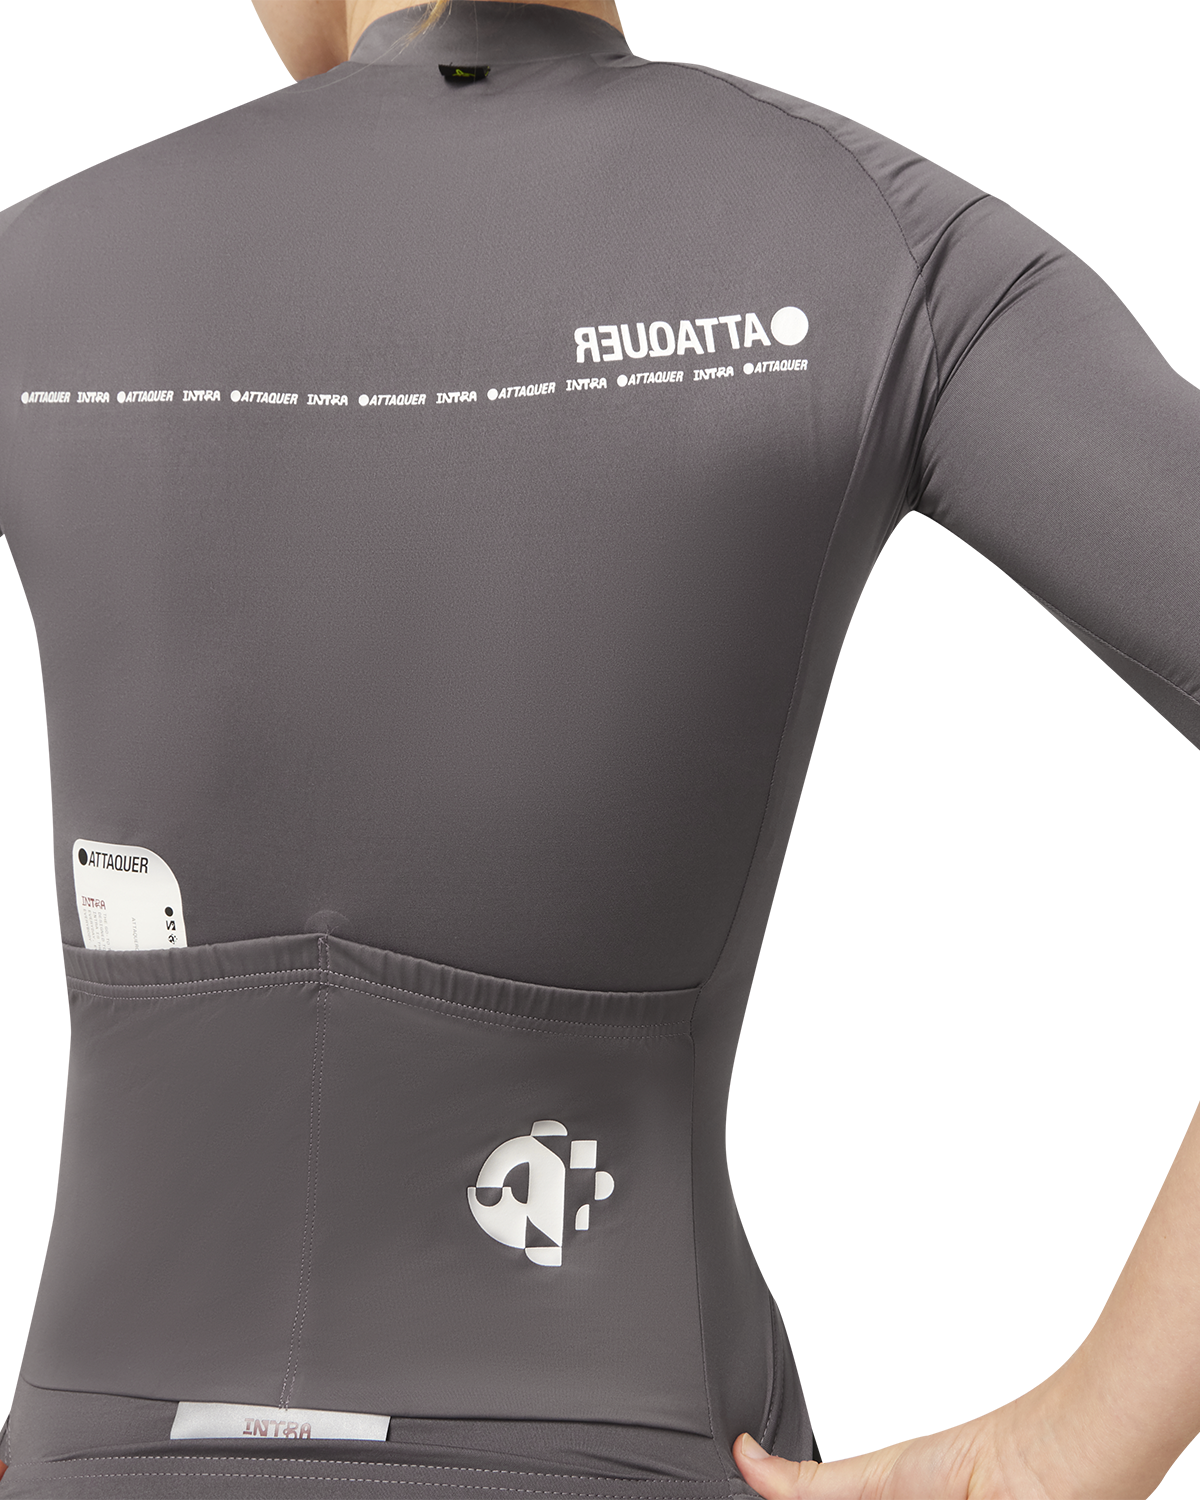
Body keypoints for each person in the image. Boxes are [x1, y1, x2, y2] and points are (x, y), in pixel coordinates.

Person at [0, 1, 1197, 1496]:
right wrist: (1091, 1437)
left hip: (105, 1446)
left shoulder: (54, 257)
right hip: (609, 1434)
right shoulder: (859, 239)